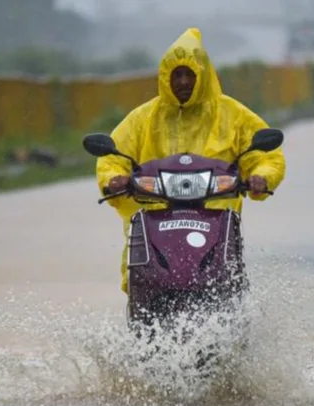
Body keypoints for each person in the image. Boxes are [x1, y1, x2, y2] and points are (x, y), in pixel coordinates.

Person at [95, 27, 286, 294]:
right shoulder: (143, 117)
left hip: (215, 217)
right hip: (155, 216)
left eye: (189, 74)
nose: (183, 82)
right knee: (141, 275)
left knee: (226, 277)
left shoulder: (232, 114)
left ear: (203, 75)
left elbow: (266, 156)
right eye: (176, 74)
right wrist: (112, 179)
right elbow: (113, 156)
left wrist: (261, 176)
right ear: (165, 77)